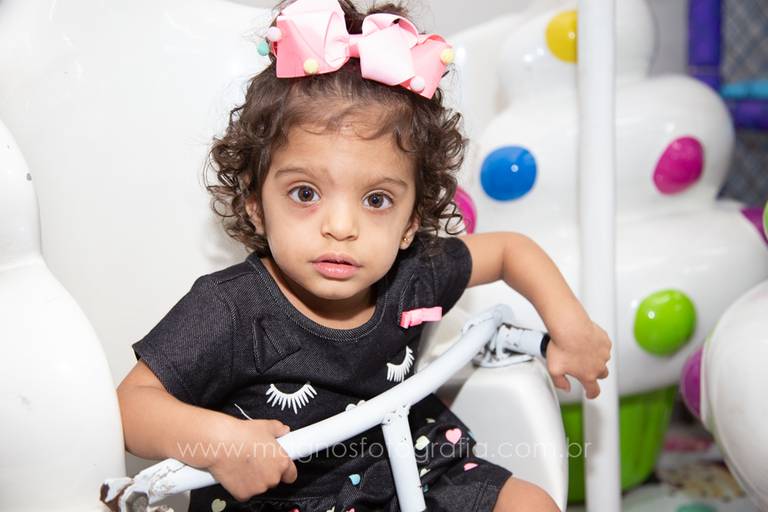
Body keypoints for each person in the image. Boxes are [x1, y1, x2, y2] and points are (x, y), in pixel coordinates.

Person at [117, 1, 612, 511]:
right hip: (286, 499)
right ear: (255, 204)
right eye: (305, 193)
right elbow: (129, 408)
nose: (341, 227)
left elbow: (510, 250)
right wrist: (218, 441)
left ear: (411, 221)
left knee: (531, 503)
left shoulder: (413, 276)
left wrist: (571, 326)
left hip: (413, 470)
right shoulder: (230, 310)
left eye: (376, 200)